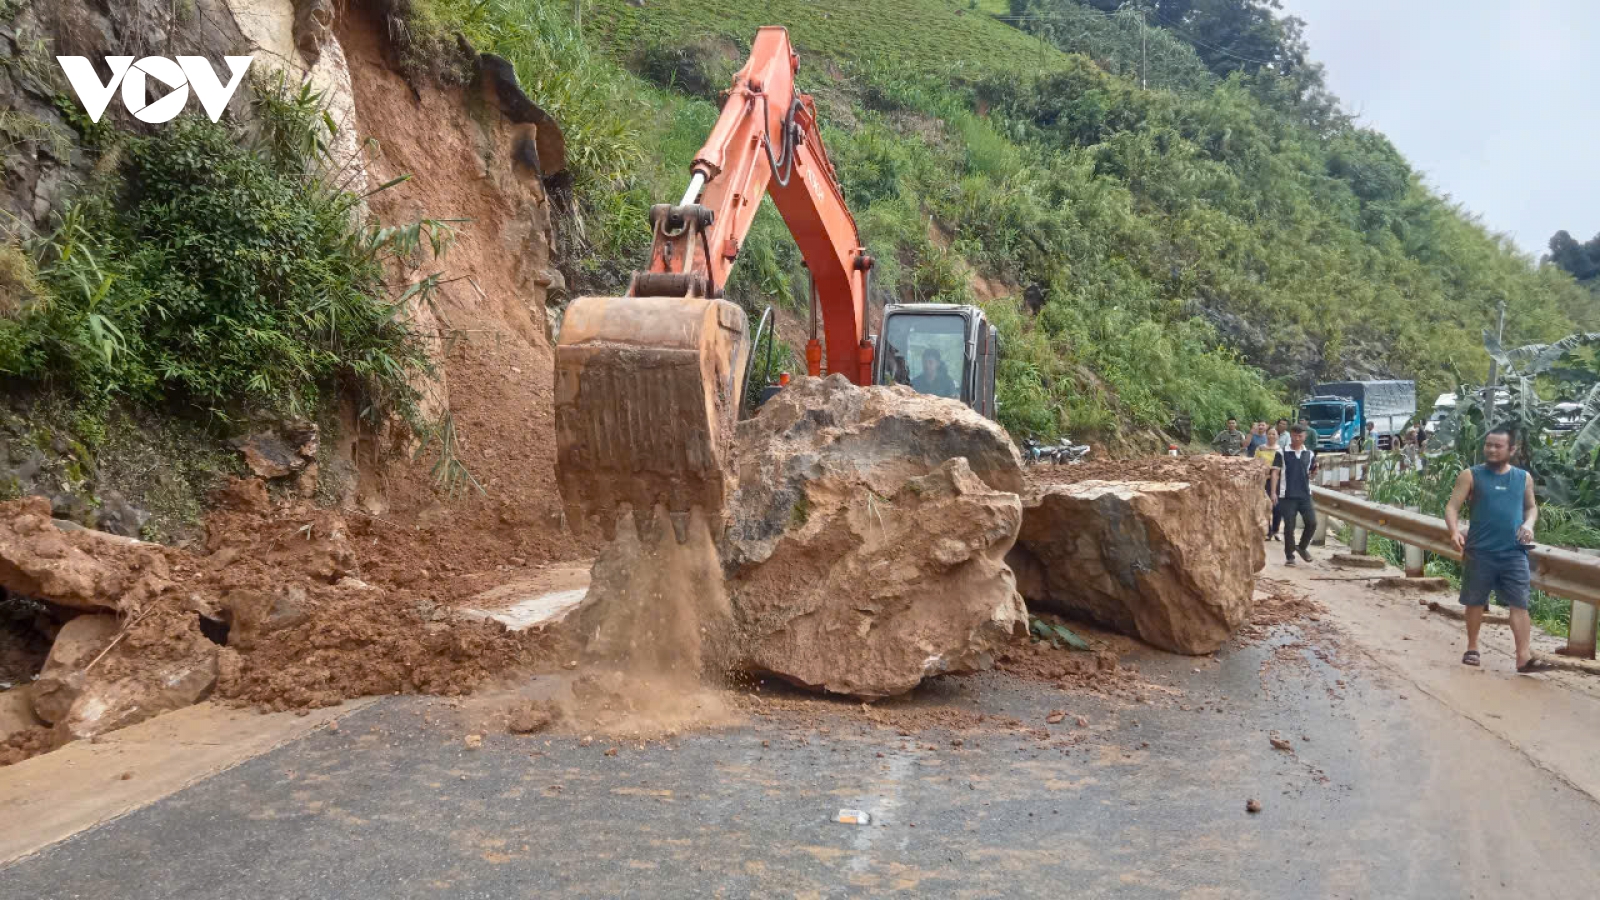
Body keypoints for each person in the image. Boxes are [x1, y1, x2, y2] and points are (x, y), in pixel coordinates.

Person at [1445, 427, 1548, 672]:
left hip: (1514, 552)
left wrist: (1528, 524)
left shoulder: (1523, 478)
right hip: (1480, 551)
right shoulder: (1471, 475)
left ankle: (1523, 657)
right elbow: (1451, 507)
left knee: (1519, 603)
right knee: (1475, 601)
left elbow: (1531, 508)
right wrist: (1454, 531)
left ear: (1511, 450)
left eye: (1497, 446)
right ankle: (1472, 647)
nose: (1491, 450)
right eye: (1488, 445)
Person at [1271, 425, 1318, 565]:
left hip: (1304, 494)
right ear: (1290, 436)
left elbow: (1311, 474)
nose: (1297, 438)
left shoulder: (1309, 454)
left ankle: (1302, 547)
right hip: (1287, 495)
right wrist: (1273, 492)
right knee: (1289, 526)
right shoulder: (1281, 452)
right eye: (1294, 436)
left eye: (1300, 436)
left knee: (1312, 522)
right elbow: (1275, 473)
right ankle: (1290, 556)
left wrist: (1314, 472)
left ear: (1305, 436)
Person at [1258, 428, 1281, 539]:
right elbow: (1255, 463)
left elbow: (1282, 467)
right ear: (1266, 435)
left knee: (1277, 507)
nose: (1271, 435)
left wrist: (1270, 468)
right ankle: (1268, 531)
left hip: (1277, 481)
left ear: (1277, 436)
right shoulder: (1260, 448)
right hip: (1263, 480)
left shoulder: (1281, 450)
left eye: (1274, 434)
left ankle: (1276, 530)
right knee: (1265, 506)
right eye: (1269, 433)